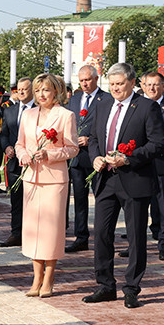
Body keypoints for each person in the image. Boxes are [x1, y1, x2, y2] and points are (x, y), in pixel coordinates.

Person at [83, 63, 164, 308]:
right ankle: (106, 285)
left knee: (136, 238)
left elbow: (158, 143)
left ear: (131, 83)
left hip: (134, 178)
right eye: (112, 84)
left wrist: (129, 158)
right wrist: (95, 156)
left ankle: (132, 288)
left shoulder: (147, 107)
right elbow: (95, 137)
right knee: (101, 234)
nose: (116, 88)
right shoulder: (103, 104)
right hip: (106, 178)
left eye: (120, 84)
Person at [15, 73, 78, 297]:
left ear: (56, 92)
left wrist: (49, 154)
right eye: (38, 89)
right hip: (31, 178)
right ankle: (36, 278)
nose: (42, 94)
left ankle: (49, 279)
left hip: (54, 180)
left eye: (46, 90)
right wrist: (23, 155)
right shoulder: (28, 114)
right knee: (33, 230)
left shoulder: (65, 115)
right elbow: (19, 143)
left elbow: (72, 148)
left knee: (51, 231)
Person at [65, 65, 112, 253]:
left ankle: (103, 236)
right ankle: (81, 237)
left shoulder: (106, 99)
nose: (84, 83)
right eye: (81, 80)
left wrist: (91, 138)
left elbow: (108, 127)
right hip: (77, 158)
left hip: (96, 157)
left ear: (96, 79)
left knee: (102, 199)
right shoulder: (75, 99)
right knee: (80, 200)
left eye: (88, 80)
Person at [142, 71, 164, 261]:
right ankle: (137, 244)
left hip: (162, 163)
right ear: (143, 85)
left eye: (156, 85)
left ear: (163, 86)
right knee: (140, 206)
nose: (152, 88)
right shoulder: (138, 105)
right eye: (148, 85)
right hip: (142, 163)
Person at [0, 77, 34, 247]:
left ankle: (33, 234)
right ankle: (16, 233)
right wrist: (6, 147)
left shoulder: (39, 109)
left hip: (34, 162)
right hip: (14, 162)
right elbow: (3, 134)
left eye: (24, 89)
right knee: (16, 199)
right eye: (18, 89)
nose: (20, 92)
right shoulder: (9, 111)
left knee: (34, 200)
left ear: (32, 90)